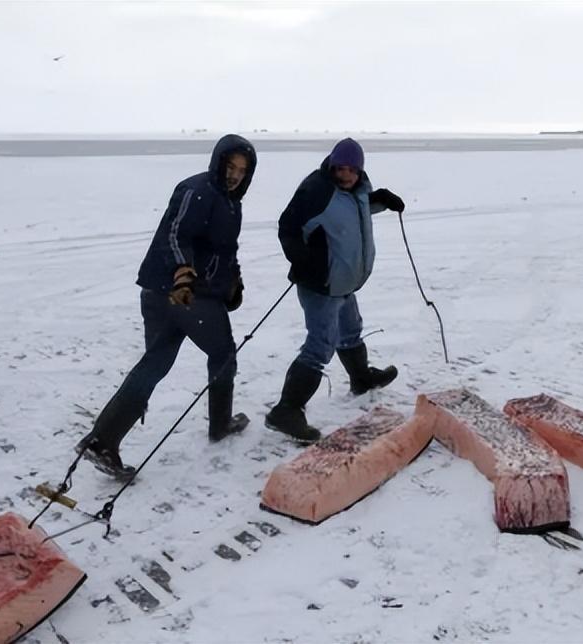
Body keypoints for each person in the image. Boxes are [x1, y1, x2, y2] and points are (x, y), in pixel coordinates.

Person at [76, 134, 257, 478]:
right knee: (223, 354)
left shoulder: (230, 201)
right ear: (218, 162)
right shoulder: (198, 190)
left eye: (242, 170)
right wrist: (183, 277)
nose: (235, 175)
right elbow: (176, 234)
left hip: (166, 291)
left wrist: (233, 281)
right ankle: (220, 424)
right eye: (230, 167)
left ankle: (102, 440)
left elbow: (223, 250)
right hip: (184, 294)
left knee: (156, 362)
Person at [265, 138, 405, 442]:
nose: (345, 175)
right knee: (320, 346)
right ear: (331, 166)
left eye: (352, 170)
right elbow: (288, 227)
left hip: (343, 282)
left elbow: (354, 209)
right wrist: (302, 259)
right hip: (321, 284)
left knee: (351, 328)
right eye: (340, 169)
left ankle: (360, 378)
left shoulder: (357, 190)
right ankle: (287, 410)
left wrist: (380, 200)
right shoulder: (318, 191)